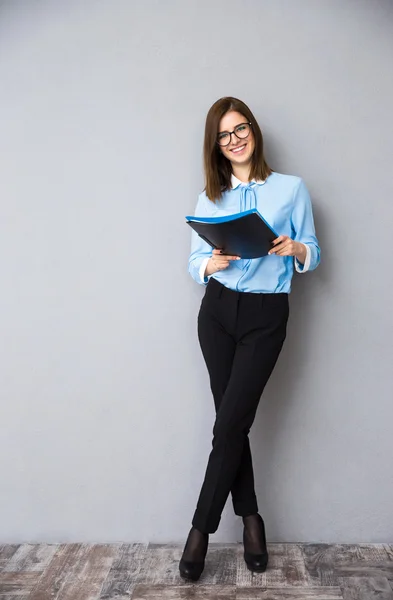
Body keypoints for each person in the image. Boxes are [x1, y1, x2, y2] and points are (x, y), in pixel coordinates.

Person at [179, 97, 320, 582]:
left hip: (265, 314)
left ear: (254, 133)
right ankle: (252, 519)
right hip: (217, 313)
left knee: (228, 427)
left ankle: (199, 532)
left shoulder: (290, 189)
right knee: (231, 424)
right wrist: (209, 264)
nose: (234, 139)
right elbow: (194, 261)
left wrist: (296, 248)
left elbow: (313, 251)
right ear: (215, 146)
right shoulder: (210, 196)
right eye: (224, 135)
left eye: (241, 129)